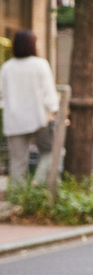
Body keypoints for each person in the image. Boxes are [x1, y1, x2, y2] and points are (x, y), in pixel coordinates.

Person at [0, 30, 60, 186]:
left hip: (14, 120)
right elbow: (49, 92)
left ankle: (17, 199)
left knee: (17, 162)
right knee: (50, 152)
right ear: (32, 45)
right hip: (39, 118)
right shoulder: (40, 64)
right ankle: (37, 183)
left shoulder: (7, 67)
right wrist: (55, 110)